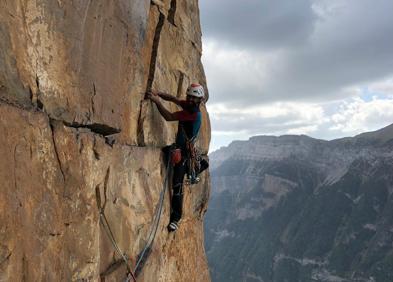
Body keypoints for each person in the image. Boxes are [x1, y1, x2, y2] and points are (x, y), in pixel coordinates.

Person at [146, 83, 208, 232]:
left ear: (199, 100)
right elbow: (173, 99)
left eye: (194, 99)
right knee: (168, 152)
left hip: (185, 153)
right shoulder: (189, 106)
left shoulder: (192, 114)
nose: (191, 101)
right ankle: (199, 166)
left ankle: (176, 218)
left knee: (177, 185)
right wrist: (158, 93)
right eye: (190, 98)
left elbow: (168, 116)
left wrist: (156, 101)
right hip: (181, 147)